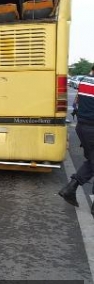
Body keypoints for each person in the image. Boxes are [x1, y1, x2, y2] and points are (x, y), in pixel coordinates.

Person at [59, 65, 94, 212]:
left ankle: (71, 188)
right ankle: (70, 189)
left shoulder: (84, 81)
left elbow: (76, 103)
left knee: (92, 162)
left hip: (82, 127)